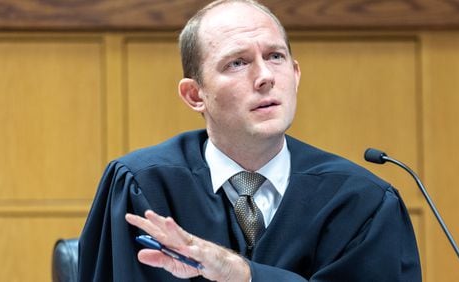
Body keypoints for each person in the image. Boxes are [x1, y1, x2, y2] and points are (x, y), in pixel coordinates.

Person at [78, 0, 422, 281]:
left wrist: (243, 274)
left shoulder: (361, 201)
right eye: (238, 63)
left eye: (275, 56)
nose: (265, 77)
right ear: (195, 94)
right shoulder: (144, 187)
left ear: (296, 75)